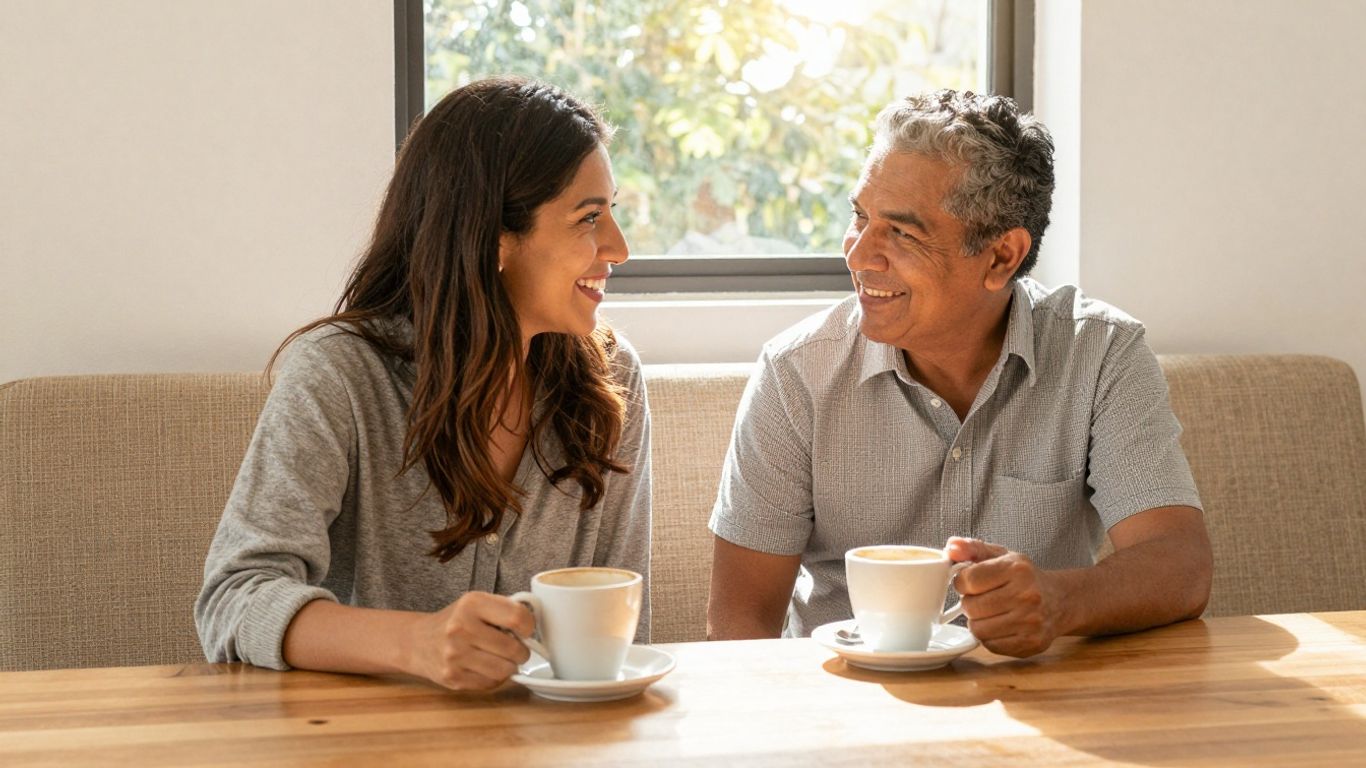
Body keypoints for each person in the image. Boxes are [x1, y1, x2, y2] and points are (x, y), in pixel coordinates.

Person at [706, 90, 1212, 658]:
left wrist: (1059, 601)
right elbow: (739, 625)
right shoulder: (796, 373)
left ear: (1001, 257)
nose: (858, 255)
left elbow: (1181, 566)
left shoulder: (1100, 354)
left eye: (902, 232)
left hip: (1040, 692)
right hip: (849, 697)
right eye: (860, 217)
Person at [196, 77, 650, 691]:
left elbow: (627, 632)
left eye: (611, 212)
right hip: (363, 734)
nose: (618, 247)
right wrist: (417, 643)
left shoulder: (612, 381)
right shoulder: (339, 376)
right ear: (493, 239)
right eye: (589, 218)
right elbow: (234, 599)